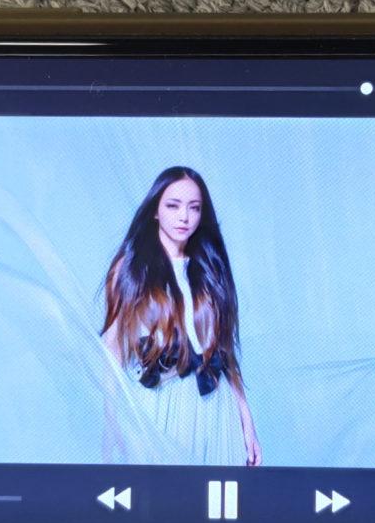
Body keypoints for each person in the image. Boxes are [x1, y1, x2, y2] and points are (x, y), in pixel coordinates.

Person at [101, 166, 262, 466]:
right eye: (173, 206)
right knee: (159, 493)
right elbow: (113, 353)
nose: (184, 217)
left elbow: (224, 352)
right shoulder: (131, 269)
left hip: (217, 407)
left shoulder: (210, 267)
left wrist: (247, 421)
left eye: (194, 208)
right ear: (155, 211)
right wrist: (112, 426)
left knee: (219, 493)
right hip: (160, 404)